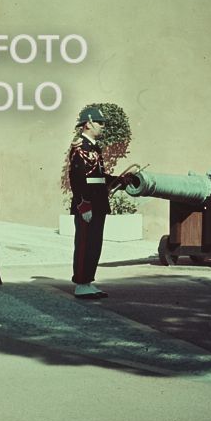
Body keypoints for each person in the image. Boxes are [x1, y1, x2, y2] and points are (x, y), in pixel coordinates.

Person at [67, 106, 126, 299]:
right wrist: (83, 204)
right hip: (88, 202)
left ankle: (88, 281)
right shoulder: (80, 148)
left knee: (95, 243)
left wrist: (120, 180)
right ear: (88, 123)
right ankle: (80, 283)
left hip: (98, 201)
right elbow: (77, 178)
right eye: (99, 123)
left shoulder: (94, 147)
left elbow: (99, 177)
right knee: (85, 243)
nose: (102, 126)